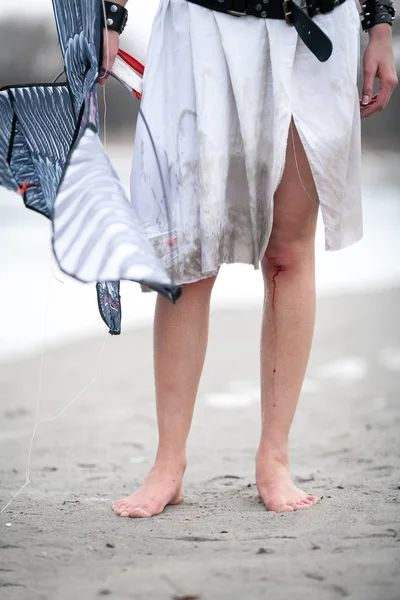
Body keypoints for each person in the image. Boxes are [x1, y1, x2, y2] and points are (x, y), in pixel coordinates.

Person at [100, 0, 397, 516]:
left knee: (287, 252)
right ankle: (167, 464)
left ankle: (274, 457)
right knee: (189, 255)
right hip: (204, 25)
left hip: (314, 31)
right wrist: (108, 18)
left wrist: (380, 24)